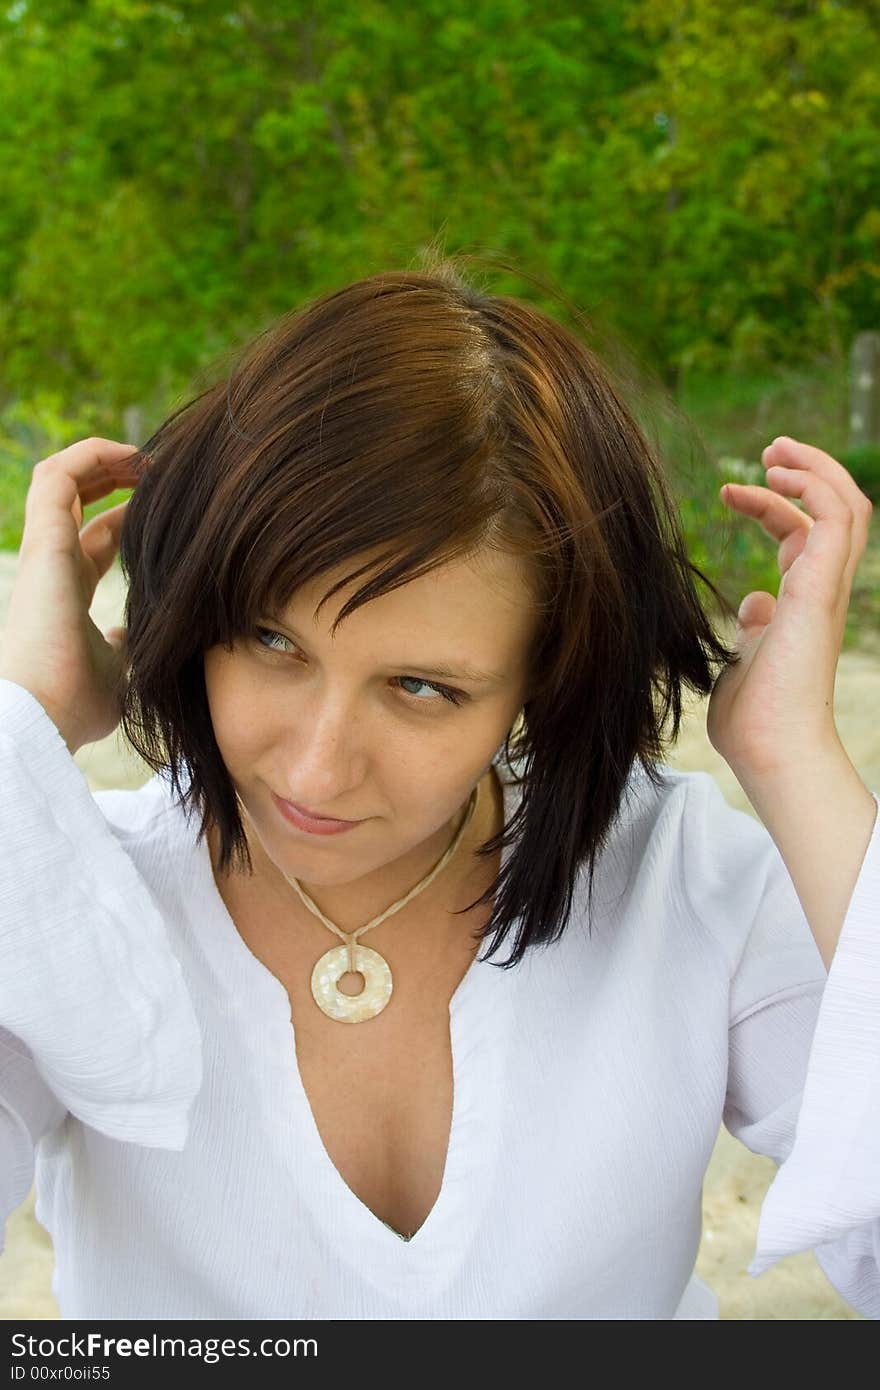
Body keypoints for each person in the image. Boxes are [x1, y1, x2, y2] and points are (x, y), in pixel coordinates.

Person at [0, 260, 877, 1320]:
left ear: (544, 674)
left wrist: (796, 765)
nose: (318, 766)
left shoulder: (681, 880)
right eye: (271, 640)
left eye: (420, 687)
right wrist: (24, 723)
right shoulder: (65, 896)